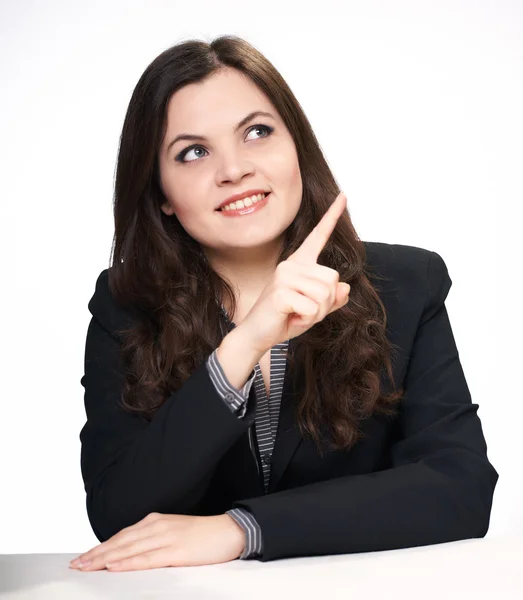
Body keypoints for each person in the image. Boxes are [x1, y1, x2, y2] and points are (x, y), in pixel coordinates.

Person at [72, 35, 498, 571]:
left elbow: (460, 488)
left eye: (257, 132)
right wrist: (245, 344)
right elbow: (119, 514)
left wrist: (243, 529)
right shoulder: (125, 303)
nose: (234, 170)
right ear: (161, 193)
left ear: (296, 145)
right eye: (194, 152)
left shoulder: (409, 284)